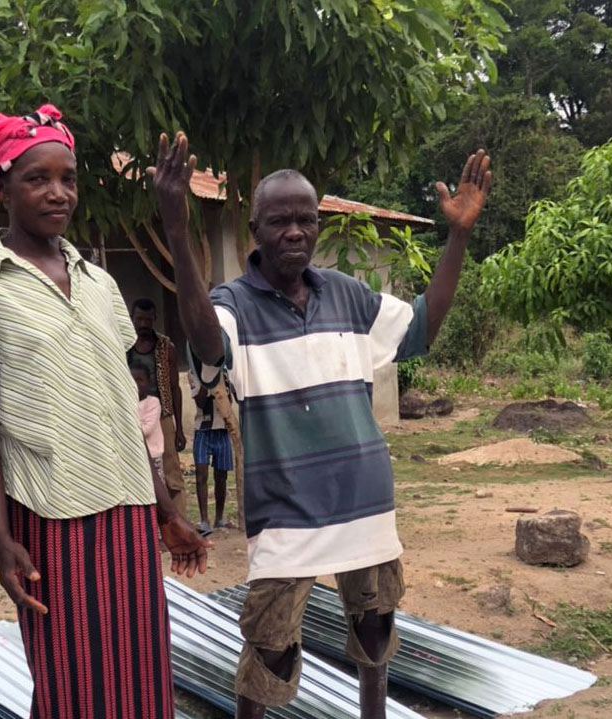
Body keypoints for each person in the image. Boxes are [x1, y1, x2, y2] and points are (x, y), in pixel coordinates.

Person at [151, 132, 491, 719]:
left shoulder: (349, 296)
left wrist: (457, 234)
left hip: (364, 501)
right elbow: (207, 342)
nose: (295, 232)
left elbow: (421, 330)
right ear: (254, 229)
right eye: (280, 221)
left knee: (376, 629)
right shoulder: (232, 303)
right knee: (270, 652)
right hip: (285, 512)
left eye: (306, 220)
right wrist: (178, 233)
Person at [0, 105, 210, 719]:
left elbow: (121, 407)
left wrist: (164, 512)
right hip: (49, 511)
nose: (57, 193)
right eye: (37, 178)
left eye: (68, 178)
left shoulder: (99, 282)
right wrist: (0, 532)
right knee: (70, 688)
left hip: (127, 511)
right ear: (1, 184)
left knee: (141, 681)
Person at [127, 298, 188, 514]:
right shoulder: (123, 344)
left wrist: (179, 427)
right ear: (132, 318)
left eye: (147, 319)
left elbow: (174, 387)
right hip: (132, 414)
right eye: (139, 319)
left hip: (162, 417)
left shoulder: (165, 347)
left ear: (155, 319)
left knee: (171, 472)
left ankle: (179, 519)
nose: (143, 324)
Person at [188, 369, 235, 534]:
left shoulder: (225, 372)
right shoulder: (194, 372)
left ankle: (219, 519)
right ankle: (204, 520)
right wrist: (209, 382)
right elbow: (200, 402)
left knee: (221, 476)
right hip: (203, 429)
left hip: (222, 429)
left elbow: (229, 398)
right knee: (201, 475)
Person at [133, 363, 165, 479]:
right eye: (132, 380)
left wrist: (128, 428)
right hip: (134, 456)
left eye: (140, 380)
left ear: (148, 382)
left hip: (153, 455)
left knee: (156, 487)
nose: (136, 384)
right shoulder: (126, 403)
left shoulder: (153, 402)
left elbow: (146, 430)